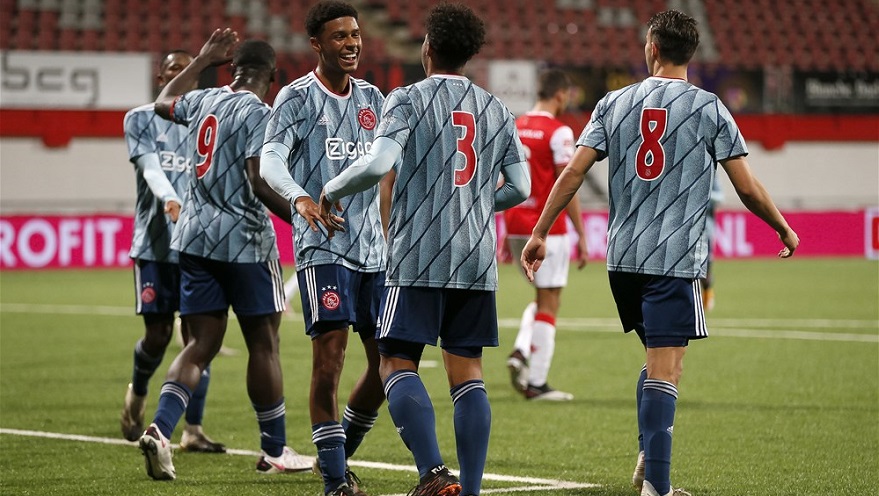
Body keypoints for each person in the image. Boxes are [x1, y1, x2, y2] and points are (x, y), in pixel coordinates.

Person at [519, 10, 798, 496]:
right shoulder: (710, 108)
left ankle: (648, 459)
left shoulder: (613, 102)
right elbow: (747, 188)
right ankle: (658, 487)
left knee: (658, 363)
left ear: (652, 47)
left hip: (622, 258)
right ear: (691, 53)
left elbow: (573, 174)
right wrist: (783, 227)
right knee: (666, 368)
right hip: (673, 259)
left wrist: (541, 230)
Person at [316, 4, 530, 495]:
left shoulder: (407, 99)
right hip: (476, 257)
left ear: (428, 48)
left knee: (395, 360)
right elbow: (518, 188)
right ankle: (470, 489)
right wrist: (474, 205)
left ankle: (433, 475)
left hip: (417, 253)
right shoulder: (496, 108)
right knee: (467, 370)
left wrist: (332, 188)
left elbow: (377, 165)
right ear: (470, 54)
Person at [137, 29, 313, 480]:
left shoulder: (203, 101)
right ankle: (274, 449)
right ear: (272, 78)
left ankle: (160, 428)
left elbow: (162, 102)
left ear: (231, 70)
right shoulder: (260, 112)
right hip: (246, 243)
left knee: (200, 344)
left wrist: (200, 59)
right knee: (264, 343)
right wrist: (301, 216)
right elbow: (258, 180)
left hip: (195, 240)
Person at [260, 2, 388, 495]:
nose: (351, 44)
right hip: (324, 248)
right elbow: (271, 159)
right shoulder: (296, 98)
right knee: (329, 362)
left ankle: (338, 453)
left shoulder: (375, 98)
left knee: (391, 364)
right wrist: (300, 197)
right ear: (317, 44)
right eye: (339, 37)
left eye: (355, 35)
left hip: (374, 253)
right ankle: (337, 481)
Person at [120, 49, 225, 453]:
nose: (181, 75)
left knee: (200, 337)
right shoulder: (140, 118)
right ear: (161, 78)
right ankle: (139, 391)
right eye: (173, 70)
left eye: (187, 70)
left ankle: (192, 430)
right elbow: (151, 169)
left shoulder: (204, 121)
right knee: (158, 334)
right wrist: (169, 199)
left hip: (197, 244)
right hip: (155, 244)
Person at [503, 69, 587, 401]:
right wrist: (581, 233)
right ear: (560, 95)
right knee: (550, 301)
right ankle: (537, 382)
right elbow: (569, 183)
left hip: (514, 223)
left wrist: (505, 229)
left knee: (539, 298)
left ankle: (522, 350)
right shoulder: (559, 131)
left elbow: (502, 178)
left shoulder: (516, 125)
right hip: (546, 228)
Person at [700, 177, 724, 310]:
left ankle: (707, 290)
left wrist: (703, 192)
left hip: (706, 231)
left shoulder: (712, 176)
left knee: (706, 268)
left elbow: (720, 197)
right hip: (686, 230)